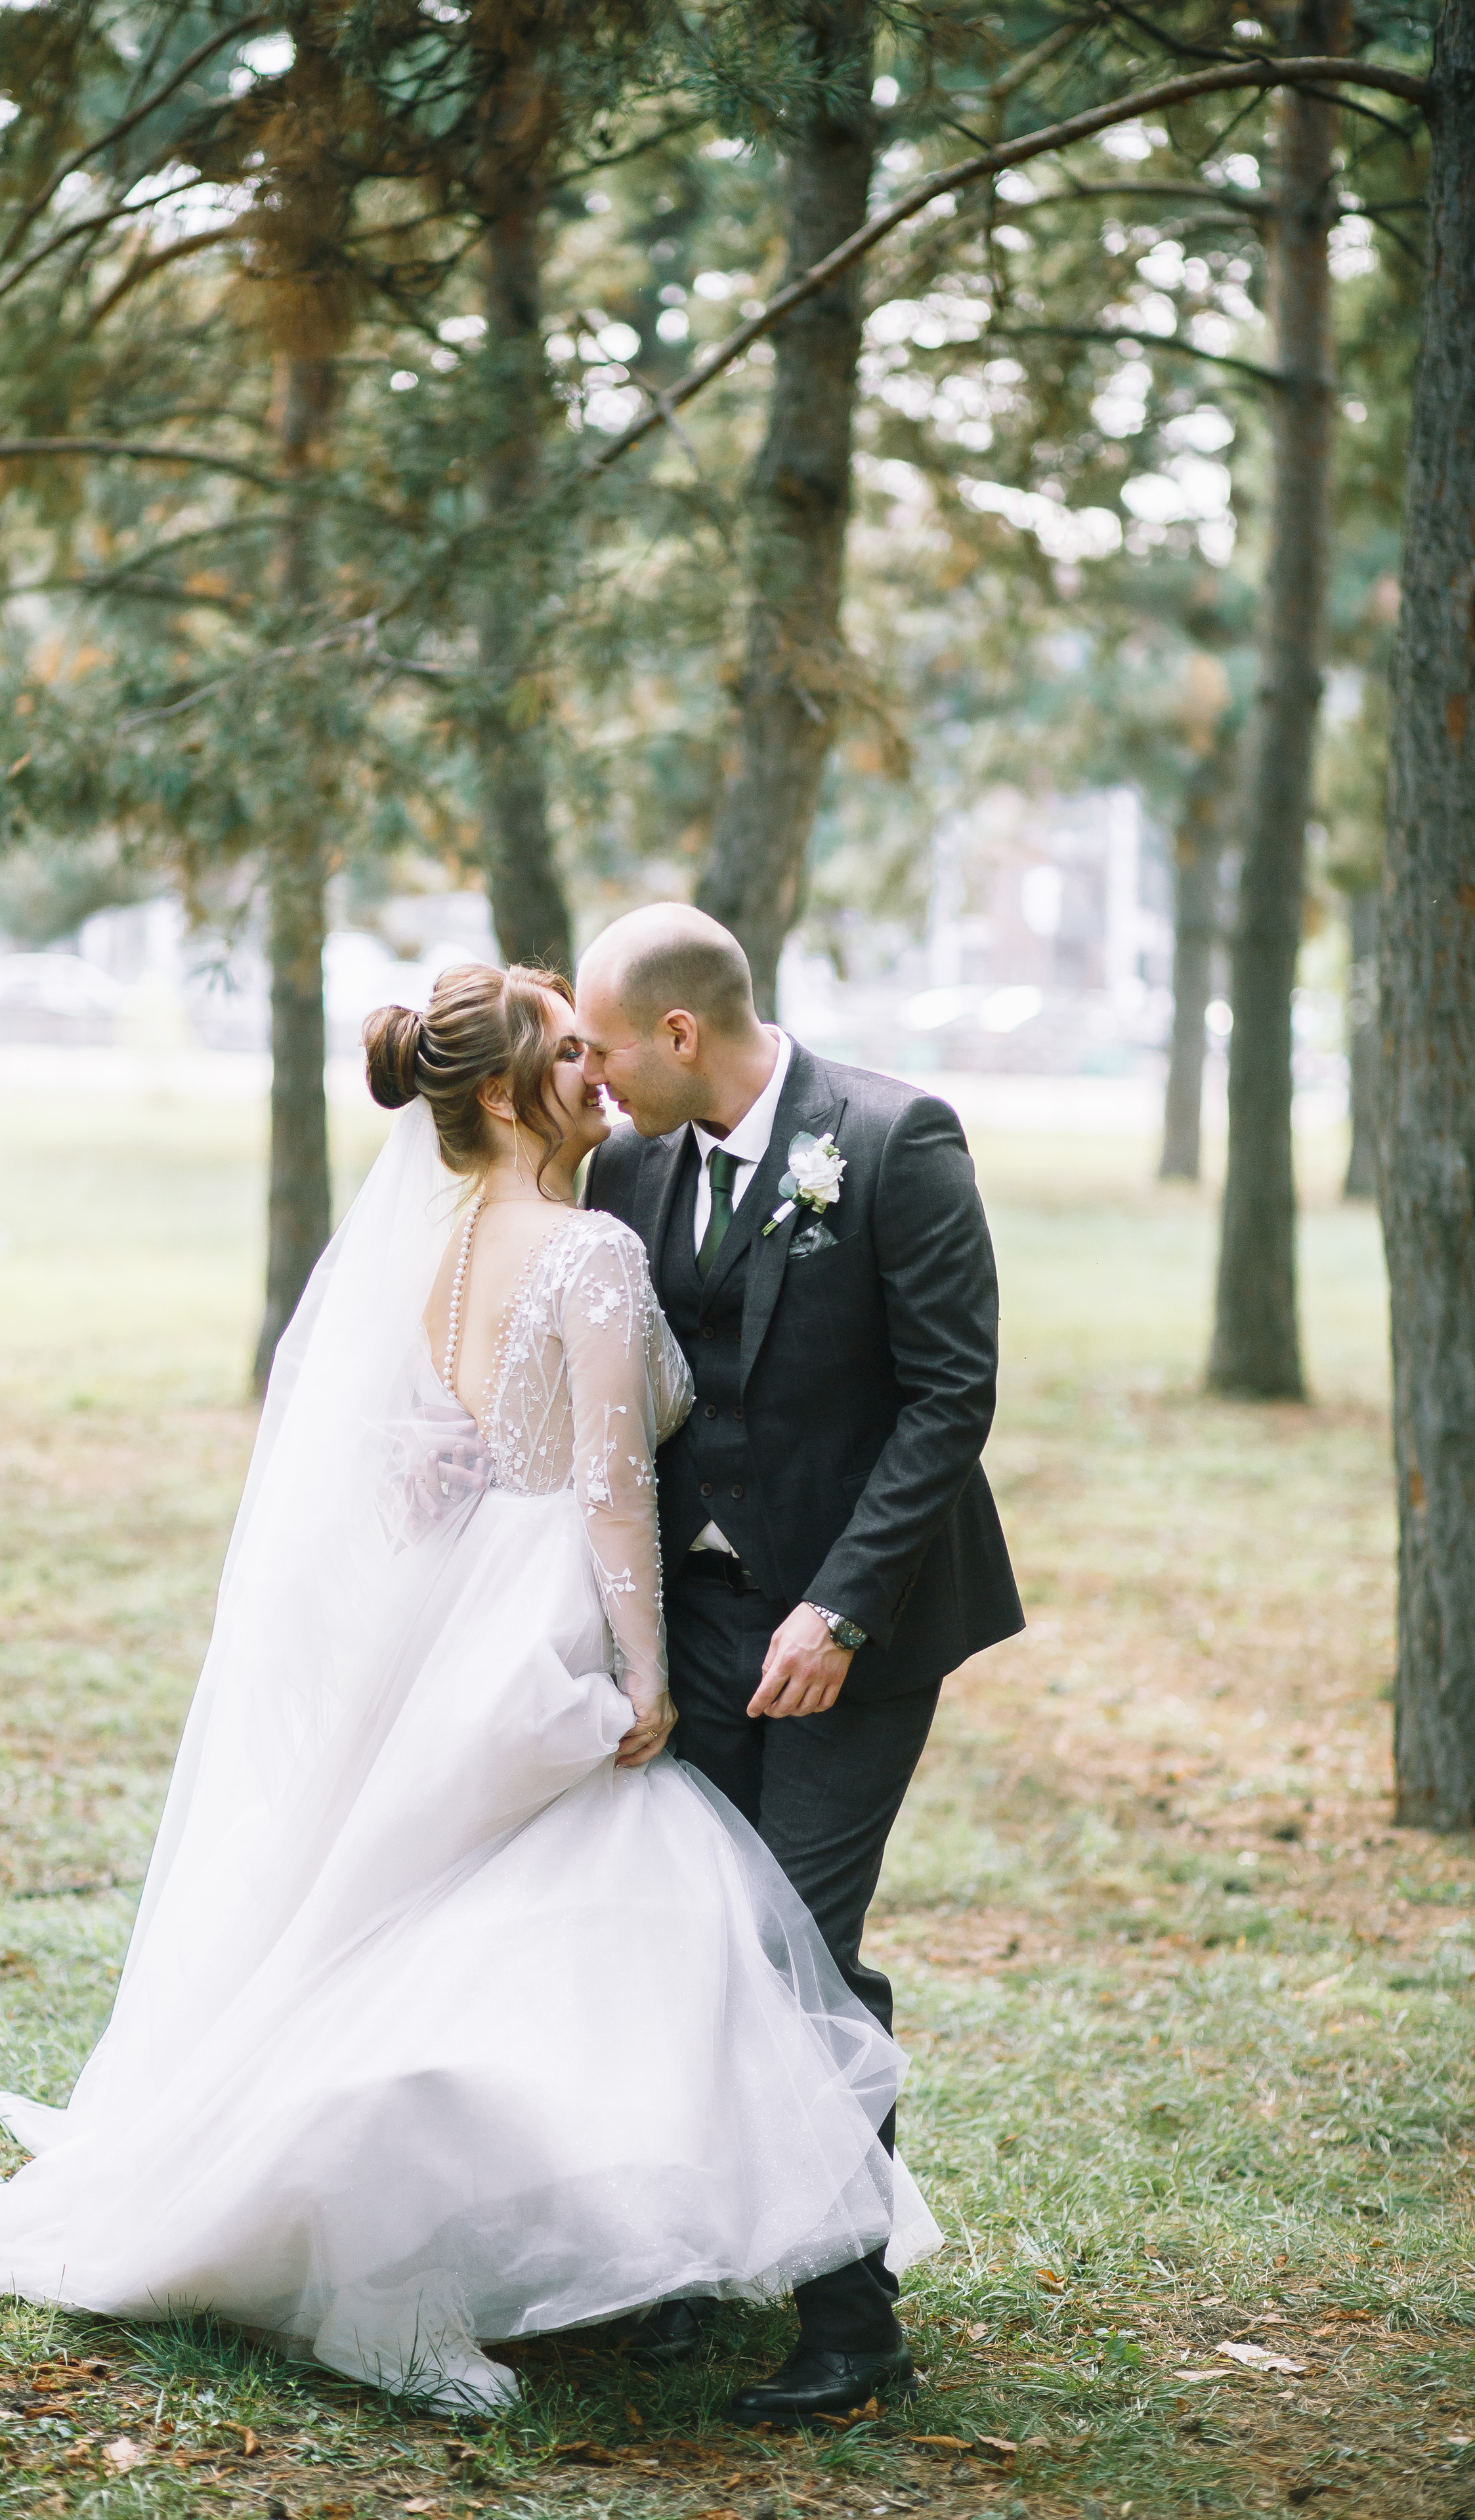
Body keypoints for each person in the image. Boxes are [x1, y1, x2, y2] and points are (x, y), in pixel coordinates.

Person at [0, 960, 939, 2417]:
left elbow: (458, 1436)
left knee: (447, 1915)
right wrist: (639, 1675)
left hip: (465, 1606)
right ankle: (403, 2279)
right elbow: (612, 1493)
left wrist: (472, 1475)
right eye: (569, 1054)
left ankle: (558, 2256)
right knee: (559, 1923)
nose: (596, 1076)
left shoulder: (446, 1247)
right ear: (502, 1090)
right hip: (552, 1613)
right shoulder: (584, 1248)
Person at [578, 904, 1023, 2425]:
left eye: (604, 1044)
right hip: (697, 1625)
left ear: (679, 1034)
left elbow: (948, 1398)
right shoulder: (628, 1168)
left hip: (864, 1623)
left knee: (800, 1949)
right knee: (688, 1934)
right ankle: (691, 2261)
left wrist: (833, 1611)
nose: (592, 1072)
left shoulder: (896, 1142)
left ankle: (851, 2320)